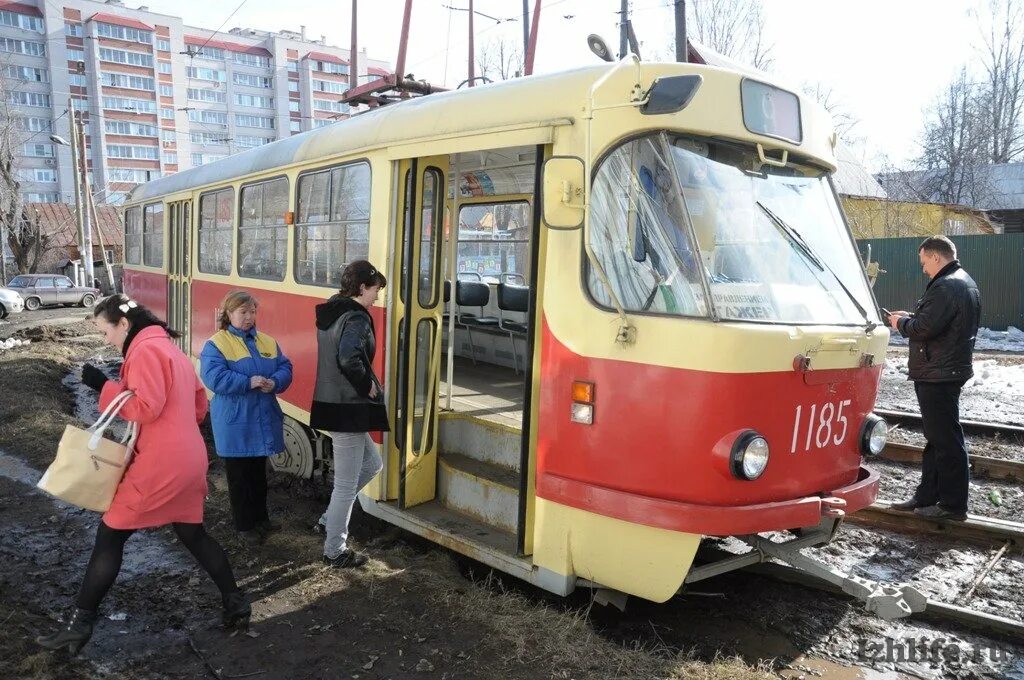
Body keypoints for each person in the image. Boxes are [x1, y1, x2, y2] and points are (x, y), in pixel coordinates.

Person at [36, 295, 249, 655]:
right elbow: (199, 405)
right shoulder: (170, 350)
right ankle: (236, 602)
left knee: (110, 536)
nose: (106, 339)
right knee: (192, 533)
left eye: (106, 331)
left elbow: (145, 408)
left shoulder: (146, 352)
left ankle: (78, 626)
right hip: (189, 455)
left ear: (123, 324)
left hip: (161, 462)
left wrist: (102, 386)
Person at [888, 236, 981, 522]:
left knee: (947, 440)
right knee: (937, 437)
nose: (924, 268)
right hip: (945, 369)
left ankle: (953, 505)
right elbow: (940, 321)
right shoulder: (962, 281)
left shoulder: (946, 285)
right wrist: (912, 316)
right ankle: (927, 496)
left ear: (936, 257)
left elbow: (925, 328)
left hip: (939, 373)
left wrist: (900, 323)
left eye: (924, 262)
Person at [310, 260, 389, 568]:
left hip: (333, 402)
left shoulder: (334, 310)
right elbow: (348, 358)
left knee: (372, 463)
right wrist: (367, 385)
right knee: (345, 484)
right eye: (375, 290)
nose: (377, 297)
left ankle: (328, 520)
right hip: (347, 406)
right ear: (362, 288)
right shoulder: (356, 317)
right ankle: (335, 550)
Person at [200, 291, 293, 545]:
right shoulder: (216, 344)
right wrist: (248, 382)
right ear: (229, 314)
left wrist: (275, 382)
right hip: (236, 422)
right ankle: (245, 526)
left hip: (260, 419)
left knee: (258, 475)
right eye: (243, 312)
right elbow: (213, 378)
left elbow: (286, 368)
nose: (249, 317)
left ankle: (261, 519)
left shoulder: (267, 342)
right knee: (240, 478)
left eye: (252, 312)